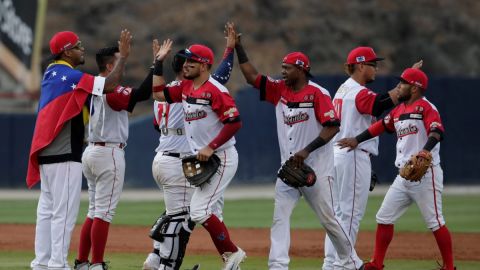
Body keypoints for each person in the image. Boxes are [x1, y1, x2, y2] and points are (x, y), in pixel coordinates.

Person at [235, 33, 359, 269]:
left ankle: (353, 262)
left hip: (318, 170)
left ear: (301, 70)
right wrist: (238, 47)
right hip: (289, 170)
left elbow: (332, 126)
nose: (282, 71)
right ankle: (278, 265)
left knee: (329, 220)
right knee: (279, 218)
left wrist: (306, 150)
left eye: (287, 68)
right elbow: (252, 77)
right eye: (282, 67)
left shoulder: (318, 93)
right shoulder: (278, 89)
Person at [27, 29, 131, 270]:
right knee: (63, 212)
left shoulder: (52, 72)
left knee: (47, 210)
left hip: (48, 152)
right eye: (77, 46)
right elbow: (110, 84)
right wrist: (123, 57)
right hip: (63, 153)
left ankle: (42, 263)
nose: (82, 49)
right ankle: (57, 264)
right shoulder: (67, 74)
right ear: (66, 51)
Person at [337, 68, 455, 270]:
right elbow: (380, 126)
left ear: (416, 88)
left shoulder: (426, 107)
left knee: (435, 221)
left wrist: (424, 152)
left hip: (426, 174)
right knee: (384, 217)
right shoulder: (399, 110)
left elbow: (436, 132)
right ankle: (376, 263)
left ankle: (449, 266)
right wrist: (357, 140)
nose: (399, 86)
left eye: (403, 82)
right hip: (404, 175)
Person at [142, 22, 237, 270]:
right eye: (184, 62)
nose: (186, 65)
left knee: (186, 213)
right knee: (184, 217)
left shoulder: (181, 89)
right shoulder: (185, 89)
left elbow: (156, 119)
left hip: (166, 154)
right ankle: (166, 264)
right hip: (179, 159)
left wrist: (157, 63)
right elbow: (221, 75)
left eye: (190, 61)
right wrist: (229, 51)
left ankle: (156, 258)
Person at [323, 47, 422, 269]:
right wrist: (407, 81)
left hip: (338, 155)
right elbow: (380, 104)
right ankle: (344, 264)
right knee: (349, 215)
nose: (376, 68)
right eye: (372, 64)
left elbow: (378, 102)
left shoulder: (342, 89)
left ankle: (331, 263)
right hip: (353, 155)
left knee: (338, 215)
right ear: (360, 66)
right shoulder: (359, 92)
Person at [73, 43, 154, 270]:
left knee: (93, 211)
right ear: (110, 66)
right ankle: (97, 264)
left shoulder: (94, 85)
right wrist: (156, 64)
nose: (123, 65)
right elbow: (143, 94)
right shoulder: (111, 89)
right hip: (108, 152)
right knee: (104, 213)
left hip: (90, 151)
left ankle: (82, 262)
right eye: (120, 61)